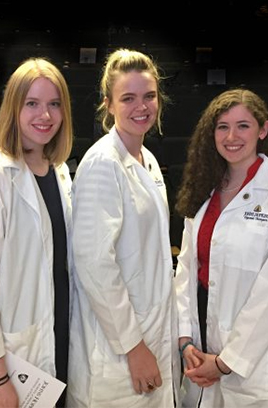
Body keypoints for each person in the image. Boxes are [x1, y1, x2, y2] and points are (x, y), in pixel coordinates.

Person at [174, 88, 268, 407]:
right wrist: (184, 340)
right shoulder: (203, 190)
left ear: (263, 130)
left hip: (252, 362)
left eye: (243, 126)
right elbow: (185, 270)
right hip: (197, 350)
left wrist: (226, 362)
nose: (231, 136)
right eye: (222, 126)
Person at [0, 57, 74, 408]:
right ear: (13, 109)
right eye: (32, 104)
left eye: (54, 104)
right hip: (9, 361)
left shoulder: (61, 174)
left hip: (58, 344)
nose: (45, 115)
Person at [68, 48, 179, 407]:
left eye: (149, 96)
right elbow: (94, 264)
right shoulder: (102, 164)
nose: (141, 107)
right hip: (120, 347)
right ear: (109, 105)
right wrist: (133, 346)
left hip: (151, 330)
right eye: (128, 98)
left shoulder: (148, 160)